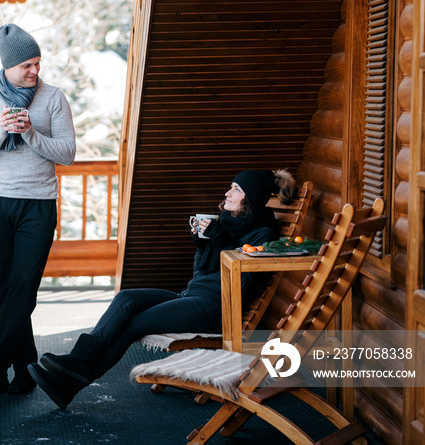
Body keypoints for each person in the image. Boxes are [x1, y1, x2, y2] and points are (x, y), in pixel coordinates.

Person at [28, 169, 297, 409]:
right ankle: (77, 363)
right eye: (231, 186)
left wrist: (220, 241)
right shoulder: (228, 223)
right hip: (193, 295)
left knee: (135, 323)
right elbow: (203, 274)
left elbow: (242, 283)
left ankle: (72, 379)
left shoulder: (263, 235)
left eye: (236, 189)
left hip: (216, 307)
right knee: (126, 298)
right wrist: (202, 243)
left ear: (250, 199)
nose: (228, 192)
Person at [0, 23, 76, 395]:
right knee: (10, 289)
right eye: (27, 64)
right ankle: (25, 369)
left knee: (23, 289)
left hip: (39, 206)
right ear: (7, 65)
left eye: (37, 63)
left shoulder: (53, 98)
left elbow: (68, 154)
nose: (34, 71)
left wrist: (29, 133)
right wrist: (0, 131)